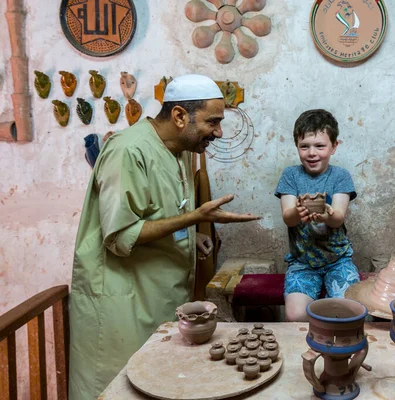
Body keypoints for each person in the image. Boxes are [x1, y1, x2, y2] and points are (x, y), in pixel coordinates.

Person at [68, 74, 261, 399]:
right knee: (119, 388)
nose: (219, 132)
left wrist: (191, 234)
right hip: (123, 305)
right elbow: (120, 235)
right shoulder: (128, 151)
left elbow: (161, 215)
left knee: (158, 382)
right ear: (180, 116)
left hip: (159, 298)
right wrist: (195, 218)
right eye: (212, 122)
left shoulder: (181, 150)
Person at [274, 109, 359, 322]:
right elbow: (288, 217)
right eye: (305, 146)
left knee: (349, 312)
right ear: (297, 147)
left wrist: (326, 215)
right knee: (295, 316)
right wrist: (299, 210)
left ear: (334, 146)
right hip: (302, 261)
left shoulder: (340, 176)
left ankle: (337, 353)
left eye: (320, 146)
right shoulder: (290, 175)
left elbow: (338, 217)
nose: (312, 153)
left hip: (337, 260)